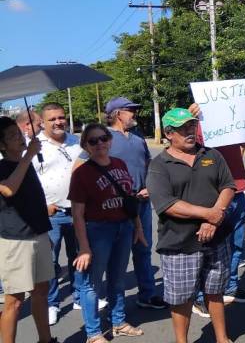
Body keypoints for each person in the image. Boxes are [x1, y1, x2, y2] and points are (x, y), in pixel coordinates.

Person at [147, 108, 236, 343]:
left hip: (216, 237)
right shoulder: (159, 164)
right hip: (180, 243)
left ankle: (222, 337)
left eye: (192, 126)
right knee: (182, 298)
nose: (189, 131)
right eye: (182, 128)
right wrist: (209, 214)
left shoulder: (212, 155)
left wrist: (213, 219)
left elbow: (228, 186)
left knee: (215, 291)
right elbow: (167, 205)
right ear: (168, 133)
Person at [187, 101, 245, 316]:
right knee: (208, 247)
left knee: (236, 245)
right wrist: (190, 118)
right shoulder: (197, 123)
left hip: (238, 189)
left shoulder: (235, 123)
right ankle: (201, 296)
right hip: (212, 194)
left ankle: (230, 287)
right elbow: (187, 147)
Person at [71, 124, 146, 343]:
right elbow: (77, 214)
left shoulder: (120, 164)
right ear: (85, 146)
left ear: (110, 140)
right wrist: (84, 247)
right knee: (91, 284)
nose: (100, 144)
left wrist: (138, 227)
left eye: (103, 138)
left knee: (118, 279)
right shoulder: (82, 173)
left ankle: (118, 321)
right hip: (97, 230)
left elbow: (129, 200)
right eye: (93, 141)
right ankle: (93, 334)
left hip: (123, 227)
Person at [32, 103, 92, 326]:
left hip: (78, 210)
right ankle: (52, 303)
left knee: (80, 257)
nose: (58, 122)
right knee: (51, 262)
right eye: (52, 119)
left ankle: (79, 296)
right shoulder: (34, 146)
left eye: (61, 117)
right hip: (51, 214)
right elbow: (28, 182)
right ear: (43, 123)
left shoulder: (77, 142)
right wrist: (42, 204)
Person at [104, 97, 166, 310]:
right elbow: (91, 168)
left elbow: (147, 164)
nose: (135, 114)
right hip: (117, 206)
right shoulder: (104, 138)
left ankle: (147, 294)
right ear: (117, 113)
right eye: (131, 110)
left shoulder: (138, 137)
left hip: (142, 203)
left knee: (143, 249)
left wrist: (149, 186)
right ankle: (116, 307)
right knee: (117, 257)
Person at [0, 116, 58, 343]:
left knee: (41, 292)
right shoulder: (5, 167)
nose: (20, 137)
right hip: (16, 241)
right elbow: (8, 190)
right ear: (2, 145)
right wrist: (29, 155)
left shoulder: (26, 163)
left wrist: (45, 232)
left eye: (18, 132)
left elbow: (34, 200)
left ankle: (46, 339)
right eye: (12, 136)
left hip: (38, 235)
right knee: (13, 301)